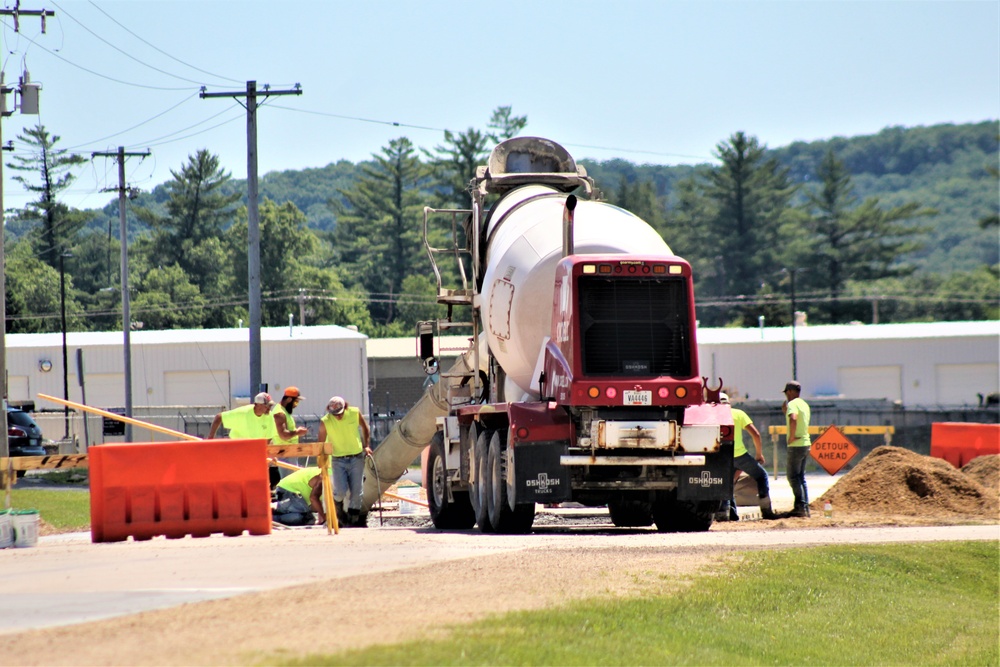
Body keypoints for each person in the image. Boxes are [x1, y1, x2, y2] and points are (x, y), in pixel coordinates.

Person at [717, 393, 777, 521]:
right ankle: (766, 511)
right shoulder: (738, 414)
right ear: (729, 403)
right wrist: (759, 454)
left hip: (723, 457)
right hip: (740, 455)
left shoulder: (714, 416)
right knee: (762, 476)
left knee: (726, 485)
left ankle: (725, 515)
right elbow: (755, 434)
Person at [319, 396, 371, 526]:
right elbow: (321, 444)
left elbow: (365, 428)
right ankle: (339, 512)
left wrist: (366, 445)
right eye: (334, 414)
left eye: (339, 413)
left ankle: (353, 521)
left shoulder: (354, 413)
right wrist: (322, 464)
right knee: (340, 491)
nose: (337, 416)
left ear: (345, 408)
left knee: (357, 493)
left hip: (356, 458)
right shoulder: (325, 421)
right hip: (338, 460)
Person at [782, 380, 812, 517]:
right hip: (806, 443)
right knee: (800, 477)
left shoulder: (792, 404)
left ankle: (800, 507)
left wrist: (792, 437)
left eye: (786, 393)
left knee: (793, 477)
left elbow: (793, 419)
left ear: (789, 392)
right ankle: (805, 508)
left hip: (796, 445)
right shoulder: (804, 404)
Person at [272, 387, 310, 488]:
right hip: (284, 452)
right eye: (296, 402)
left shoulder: (284, 412)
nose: (295, 405)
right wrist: (297, 432)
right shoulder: (279, 413)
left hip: (290, 451)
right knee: (288, 482)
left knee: (293, 481)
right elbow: (283, 435)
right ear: (289, 399)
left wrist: (297, 431)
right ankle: (285, 501)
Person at [208, 392, 277, 441]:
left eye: (270, 406)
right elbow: (219, 417)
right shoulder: (243, 413)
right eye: (267, 406)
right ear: (258, 405)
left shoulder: (269, 416)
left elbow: (268, 438)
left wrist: (267, 453)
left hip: (254, 448)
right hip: (237, 446)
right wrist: (210, 439)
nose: (269, 408)